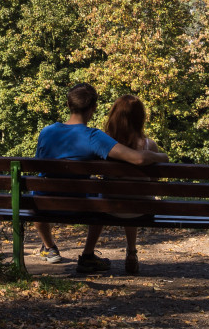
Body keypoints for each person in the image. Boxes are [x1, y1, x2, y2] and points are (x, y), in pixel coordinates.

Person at [33, 83, 168, 273]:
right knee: (101, 196)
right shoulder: (94, 137)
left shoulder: (46, 132)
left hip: (44, 204)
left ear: (68, 104)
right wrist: (163, 157)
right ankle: (88, 255)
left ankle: (49, 247)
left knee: (39, 189)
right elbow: (137, 158)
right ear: (93, 108)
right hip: (78, 206)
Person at [103, 94, 165, 275]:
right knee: (135, 197)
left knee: (102, 195)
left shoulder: (104, 142)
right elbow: (154, 182)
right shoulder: (149, 146)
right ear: (140, 118)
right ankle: (131, 251)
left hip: (108, 207)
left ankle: (87, 252)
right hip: (141, 208)